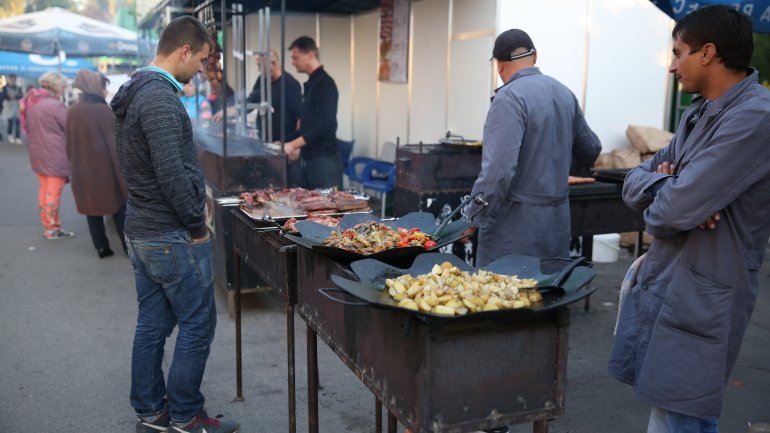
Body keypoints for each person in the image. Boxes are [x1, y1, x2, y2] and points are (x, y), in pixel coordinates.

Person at [609, 6, 770, 433]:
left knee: (680, 412)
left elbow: (667, 215)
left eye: (678, 52)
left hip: (707, 292)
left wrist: (674, 196)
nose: (671, 65)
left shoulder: (756, 117)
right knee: (675, 410)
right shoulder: (697, 113)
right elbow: (636, 180)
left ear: (708, 53)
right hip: (673, 278)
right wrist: (669, 187)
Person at [110, 16, 239, 433]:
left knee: (153, 322)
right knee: (198, 322)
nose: (202, 69)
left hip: (142, 229)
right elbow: (170, 172)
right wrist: (196, 224)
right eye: (201, 59)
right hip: (168, 234)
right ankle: (185, 416)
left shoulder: (135, 91)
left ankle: (151, 413)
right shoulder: (160, 100)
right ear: (184, 51)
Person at [463, 29, 602, 268]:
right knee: (548, 296)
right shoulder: (564, 93)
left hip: (513, 232)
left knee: (505, 299)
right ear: (535, 57)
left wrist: (472, 215)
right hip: (556, 226)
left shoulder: (509, 98)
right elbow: (591, 148)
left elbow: (498, 172)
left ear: (499, 65)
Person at [213, 48, 303, 185]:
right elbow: (249, 104)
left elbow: (300, 117)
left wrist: (295, 146)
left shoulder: (290, 84)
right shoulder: (262, 80)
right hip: (266, 145)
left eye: (260, 65)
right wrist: (227, 112)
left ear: (273, 63)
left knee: (289, 187)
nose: (258, 69)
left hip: (286, 148)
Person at [66, 69, 128, 258]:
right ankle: (128, 248)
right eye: (103, 87)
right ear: (96, 88)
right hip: (105, 172)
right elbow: (115, 147)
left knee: (92, 210)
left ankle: (102, 247)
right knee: (119, 208)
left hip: (82, 170)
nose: (105, 90)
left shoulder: (73, 111)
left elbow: (68, 144)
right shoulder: (102, 111)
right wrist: (124, 178)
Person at [282, 35, 343, 189]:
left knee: (328, 209)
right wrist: (283, 142)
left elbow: (324, 126)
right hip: (309, 159)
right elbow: (307, 127)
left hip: (324, 162)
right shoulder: (311, 83)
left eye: (296, 58)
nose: (292, 62)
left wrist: (292, 145)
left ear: (310, 55)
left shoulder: (324, 84)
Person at [24, 72, 74, 240]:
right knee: (53, 192)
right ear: (57, 88)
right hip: (54, 155)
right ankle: (52, 228)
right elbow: (70, 128)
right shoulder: (56, 107)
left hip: (38, 154)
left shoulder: (32, 104)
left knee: (45, 191)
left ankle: (49, 224)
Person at [2, 74, 25, 144]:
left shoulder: (18, 87)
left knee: (18, 123)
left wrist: (15, 97)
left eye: (14, 79)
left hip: (17, 107)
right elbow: (3, 96)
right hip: (9, 107)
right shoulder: (5, 87)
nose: (13, 80)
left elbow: (21, 95)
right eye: (12, 79)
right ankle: (10, 134)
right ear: (9, 79)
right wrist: (9, 97)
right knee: (10, 123)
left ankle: (18, 137)